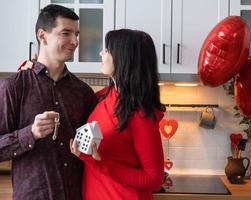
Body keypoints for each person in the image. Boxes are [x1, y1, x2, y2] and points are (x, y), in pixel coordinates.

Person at [0, 4, 97, 200]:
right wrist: (31, 133)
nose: (75, 41)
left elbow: (92, 149)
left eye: (76, 34)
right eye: (66, 33)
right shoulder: (13, 87)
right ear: (42, 36)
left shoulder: (83, 92)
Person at [70, 29, 166, 200]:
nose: (101, 53)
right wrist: (33, 70)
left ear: (123, 57)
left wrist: (100, 163)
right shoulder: (106, 95)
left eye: (107, 49)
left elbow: (155, 180)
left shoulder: (140, 115)